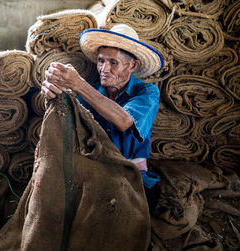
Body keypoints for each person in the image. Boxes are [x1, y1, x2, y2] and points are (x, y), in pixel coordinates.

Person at [41, 24, 164, 212]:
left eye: (113, 62)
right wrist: (52, 91)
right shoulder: (88, 92)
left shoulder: (146, 92)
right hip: (92, 171)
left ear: (133, 65)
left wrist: (79, 84)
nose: (103, 69)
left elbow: (125, 121)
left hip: (131, 176)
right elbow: (62, 119)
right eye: (100, 61)